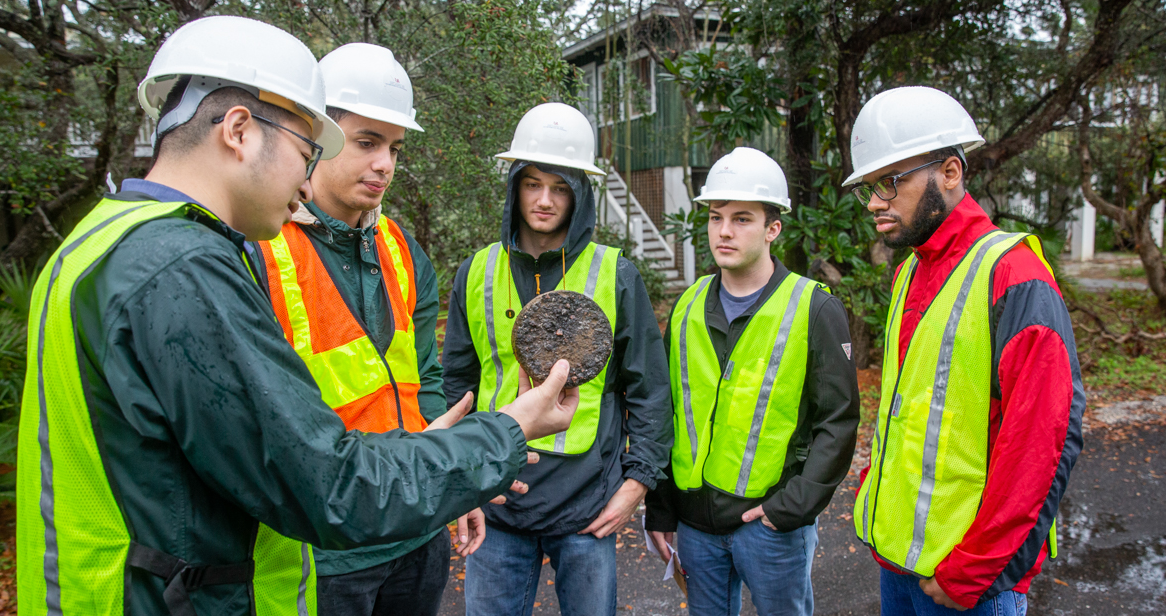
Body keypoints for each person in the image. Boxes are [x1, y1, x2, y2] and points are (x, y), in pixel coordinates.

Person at [16, 17, 577, 616]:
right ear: (238, 131)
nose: (305, 181)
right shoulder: (184, 266)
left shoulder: (104, 239)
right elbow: (329, 485)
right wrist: (509, 430)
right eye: (310, 149)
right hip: (211, 579)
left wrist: (444, 466)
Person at [248, 42, 491, 616]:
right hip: (325, 549)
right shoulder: (263, 248)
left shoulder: (402, 250)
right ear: (318, 138)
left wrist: (452, 483)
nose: (384, 163)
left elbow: (425, 379)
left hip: (418, 527)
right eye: (366, 142)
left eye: (394, 147)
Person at [844, 86, 1084, 614]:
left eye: (890, 182)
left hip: (968, 585)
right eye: (868, 188)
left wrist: (974, 570)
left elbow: (1042, 440)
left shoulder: (1013, 274)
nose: (876, 204)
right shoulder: (910, 270)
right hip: (901, 565)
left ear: (950, 172)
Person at [440, 102, 672, 616]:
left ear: (581, 193)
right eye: (532, 184)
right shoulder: (475, 271)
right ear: (514, 186)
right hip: (496, 503)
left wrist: (637, 483)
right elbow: (456, 385)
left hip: (587, 508)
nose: (545, 200)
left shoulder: (615, 273)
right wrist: (462, 485)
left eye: (560, 187)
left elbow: (650, 390)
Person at [643, 147, 860, 616]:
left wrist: (790, 510)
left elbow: (838, 423)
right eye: (716, 217)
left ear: (773, 229)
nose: (724, 230)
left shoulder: (813, 308)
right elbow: (666, 414)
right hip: (696, 525)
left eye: (742, 219)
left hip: (771, 527)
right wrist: (661, 509)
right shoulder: (686, 306)